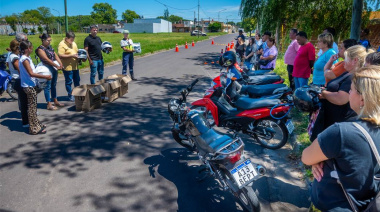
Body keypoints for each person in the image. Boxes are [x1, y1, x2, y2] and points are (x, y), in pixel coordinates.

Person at [302, 66, 380, 211]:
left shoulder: (342, 132)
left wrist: (318, 160)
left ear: (362, 99)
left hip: (335, 205)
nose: (349, 92)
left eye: (351, 90)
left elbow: (306, 157)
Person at [311, 45, 370, 141]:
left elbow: (341, 99)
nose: (343, 62)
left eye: (346, 59)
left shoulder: (353, 77)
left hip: (339, 120)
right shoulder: (348, 73)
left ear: (354, 60)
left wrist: (323, 93)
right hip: (332, 119)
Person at [19, 41, 51, 135]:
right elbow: (31, 73)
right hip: (28, 86)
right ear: (27, 49)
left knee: (33, 107)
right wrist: (46, 76)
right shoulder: (24, 59)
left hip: (30, 84)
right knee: (32, 108)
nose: (32, 49)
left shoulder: (27, 58)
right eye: (31, 47)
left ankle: (37, 124)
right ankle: (33, 129)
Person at [35, 33, 64, 110]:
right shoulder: (40, 49)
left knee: (54, 85)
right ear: (43, 40)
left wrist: (60, 63)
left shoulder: (49, 47)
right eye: (48, 40)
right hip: (46, 68)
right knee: (47, 86)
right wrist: (56, 65)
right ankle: (49, 103)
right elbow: (46, 59)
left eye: (50, 40)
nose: (49, 42)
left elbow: (55, 55)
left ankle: (55, 100)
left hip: (53, 67)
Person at [6, 40, 29, 127]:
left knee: (24, 101)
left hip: (16, 79)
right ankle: (25, 122)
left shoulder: (12, 56)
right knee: (23, 102)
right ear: (17, 48)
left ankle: (26, 120)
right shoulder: (14, 57)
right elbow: (20, 70)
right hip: (18, 80)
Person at [58, 31, 80, 101]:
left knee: (77, 81)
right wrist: (71, 55)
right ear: (66, 38)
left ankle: (78, 94)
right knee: (69, 81)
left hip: (75, 66)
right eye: (71, 40)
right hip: (67, 67)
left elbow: (76, 51)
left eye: (73, 40)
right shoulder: (62, 44)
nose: (72, 41)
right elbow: (60, 55)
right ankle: (70, 95)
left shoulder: (73, 43)